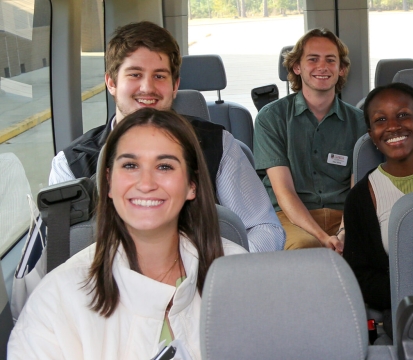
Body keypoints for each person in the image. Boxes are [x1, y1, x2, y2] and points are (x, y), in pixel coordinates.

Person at [9, 108, 248, 359]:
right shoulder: (56, 298)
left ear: (191, 185)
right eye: (130, 165)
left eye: (165, 166)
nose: (146, 184)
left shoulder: (240, 277)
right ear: (109, 182)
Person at [48, 21, 285, 253]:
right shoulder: (71, 164)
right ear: (111, 82)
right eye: (135, 74)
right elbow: (61, 248)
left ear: (175, 85)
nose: (147, 87)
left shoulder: (217, 146)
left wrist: (220, 275)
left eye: (159, 76)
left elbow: (264, 228)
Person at [254, 28, 365, 253]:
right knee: (305, 247)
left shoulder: (360, 121)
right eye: (313, 59)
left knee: (369, 248)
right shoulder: (271, 117)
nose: (322, 67)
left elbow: (357, 190)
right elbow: (283, 190)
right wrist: (323, 237)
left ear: (341, 69)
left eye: (330, 60)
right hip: (290, 216)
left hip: (343, 215)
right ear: (297, 67)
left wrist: (344, 232)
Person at [343, 83, 413, 313]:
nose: (393, 126)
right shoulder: (361, 197)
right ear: (372, 136)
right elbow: (361, 275)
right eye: (380, 120)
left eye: (403, 115)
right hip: (410, 311)